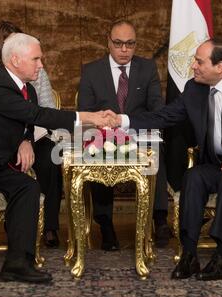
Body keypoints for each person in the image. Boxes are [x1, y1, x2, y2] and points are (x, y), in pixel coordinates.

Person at [0, 33, 113, 284]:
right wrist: (90, 117)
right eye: (36, 59)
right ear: (15, 60)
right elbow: (35, 114)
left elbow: (26, 120)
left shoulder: (27, 90)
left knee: (27, 186)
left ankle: (17, 262)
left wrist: (25, 140)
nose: (41, 65)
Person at [112, 38, 222, 280]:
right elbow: (164, 116)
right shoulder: (194, 89)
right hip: (219, 164)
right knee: (193, 176)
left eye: (199, 61)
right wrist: (121, 121)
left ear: (220, 66)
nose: (193, 66)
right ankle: (189, 254)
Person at [77, 20, 171, 250]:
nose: (124, 50)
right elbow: (85, 113)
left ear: (136, 44)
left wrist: (129, 127)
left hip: (138, 134)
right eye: (118, 44)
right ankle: (106, 224)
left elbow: (158, 112)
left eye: (130, 44)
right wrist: (104, 127)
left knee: (156, 151)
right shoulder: (91, 71)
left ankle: (159, 219)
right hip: (103, 136)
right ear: (108, 42)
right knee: (96, 154)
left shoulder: (147, 68)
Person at [0, 21, 61, 248]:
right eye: (9, 41)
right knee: (9, 167)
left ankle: (49, 226)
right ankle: (15, 228)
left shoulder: (35, 70)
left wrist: (28, 139)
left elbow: (48, 112)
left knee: (51, 157)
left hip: (34, 136)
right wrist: (17, 141)